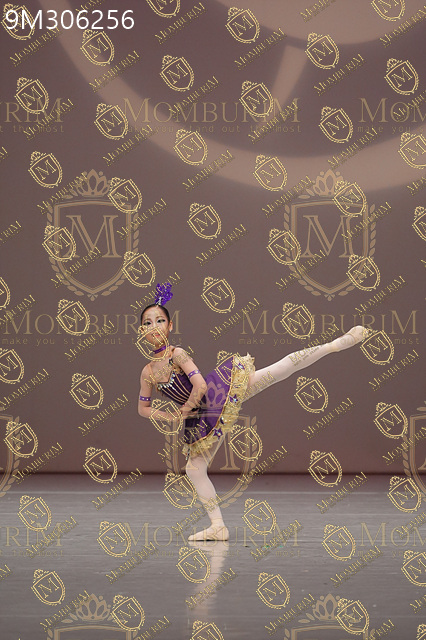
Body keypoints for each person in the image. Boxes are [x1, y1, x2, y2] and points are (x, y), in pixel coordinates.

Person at [137, 282, 369, 541]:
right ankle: (218, 527)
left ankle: (334, 345)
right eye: (148, 323)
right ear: (142, 331)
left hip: (219, 393)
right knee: (194, 470)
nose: (154, 326)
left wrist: (184, 409)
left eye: (160, 321)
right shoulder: (147, 372)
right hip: (200, 419)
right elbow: (143, 408)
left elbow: (200, 385)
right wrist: (168, 417)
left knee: (279, 370)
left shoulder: (177, 354)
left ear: (170, 326)